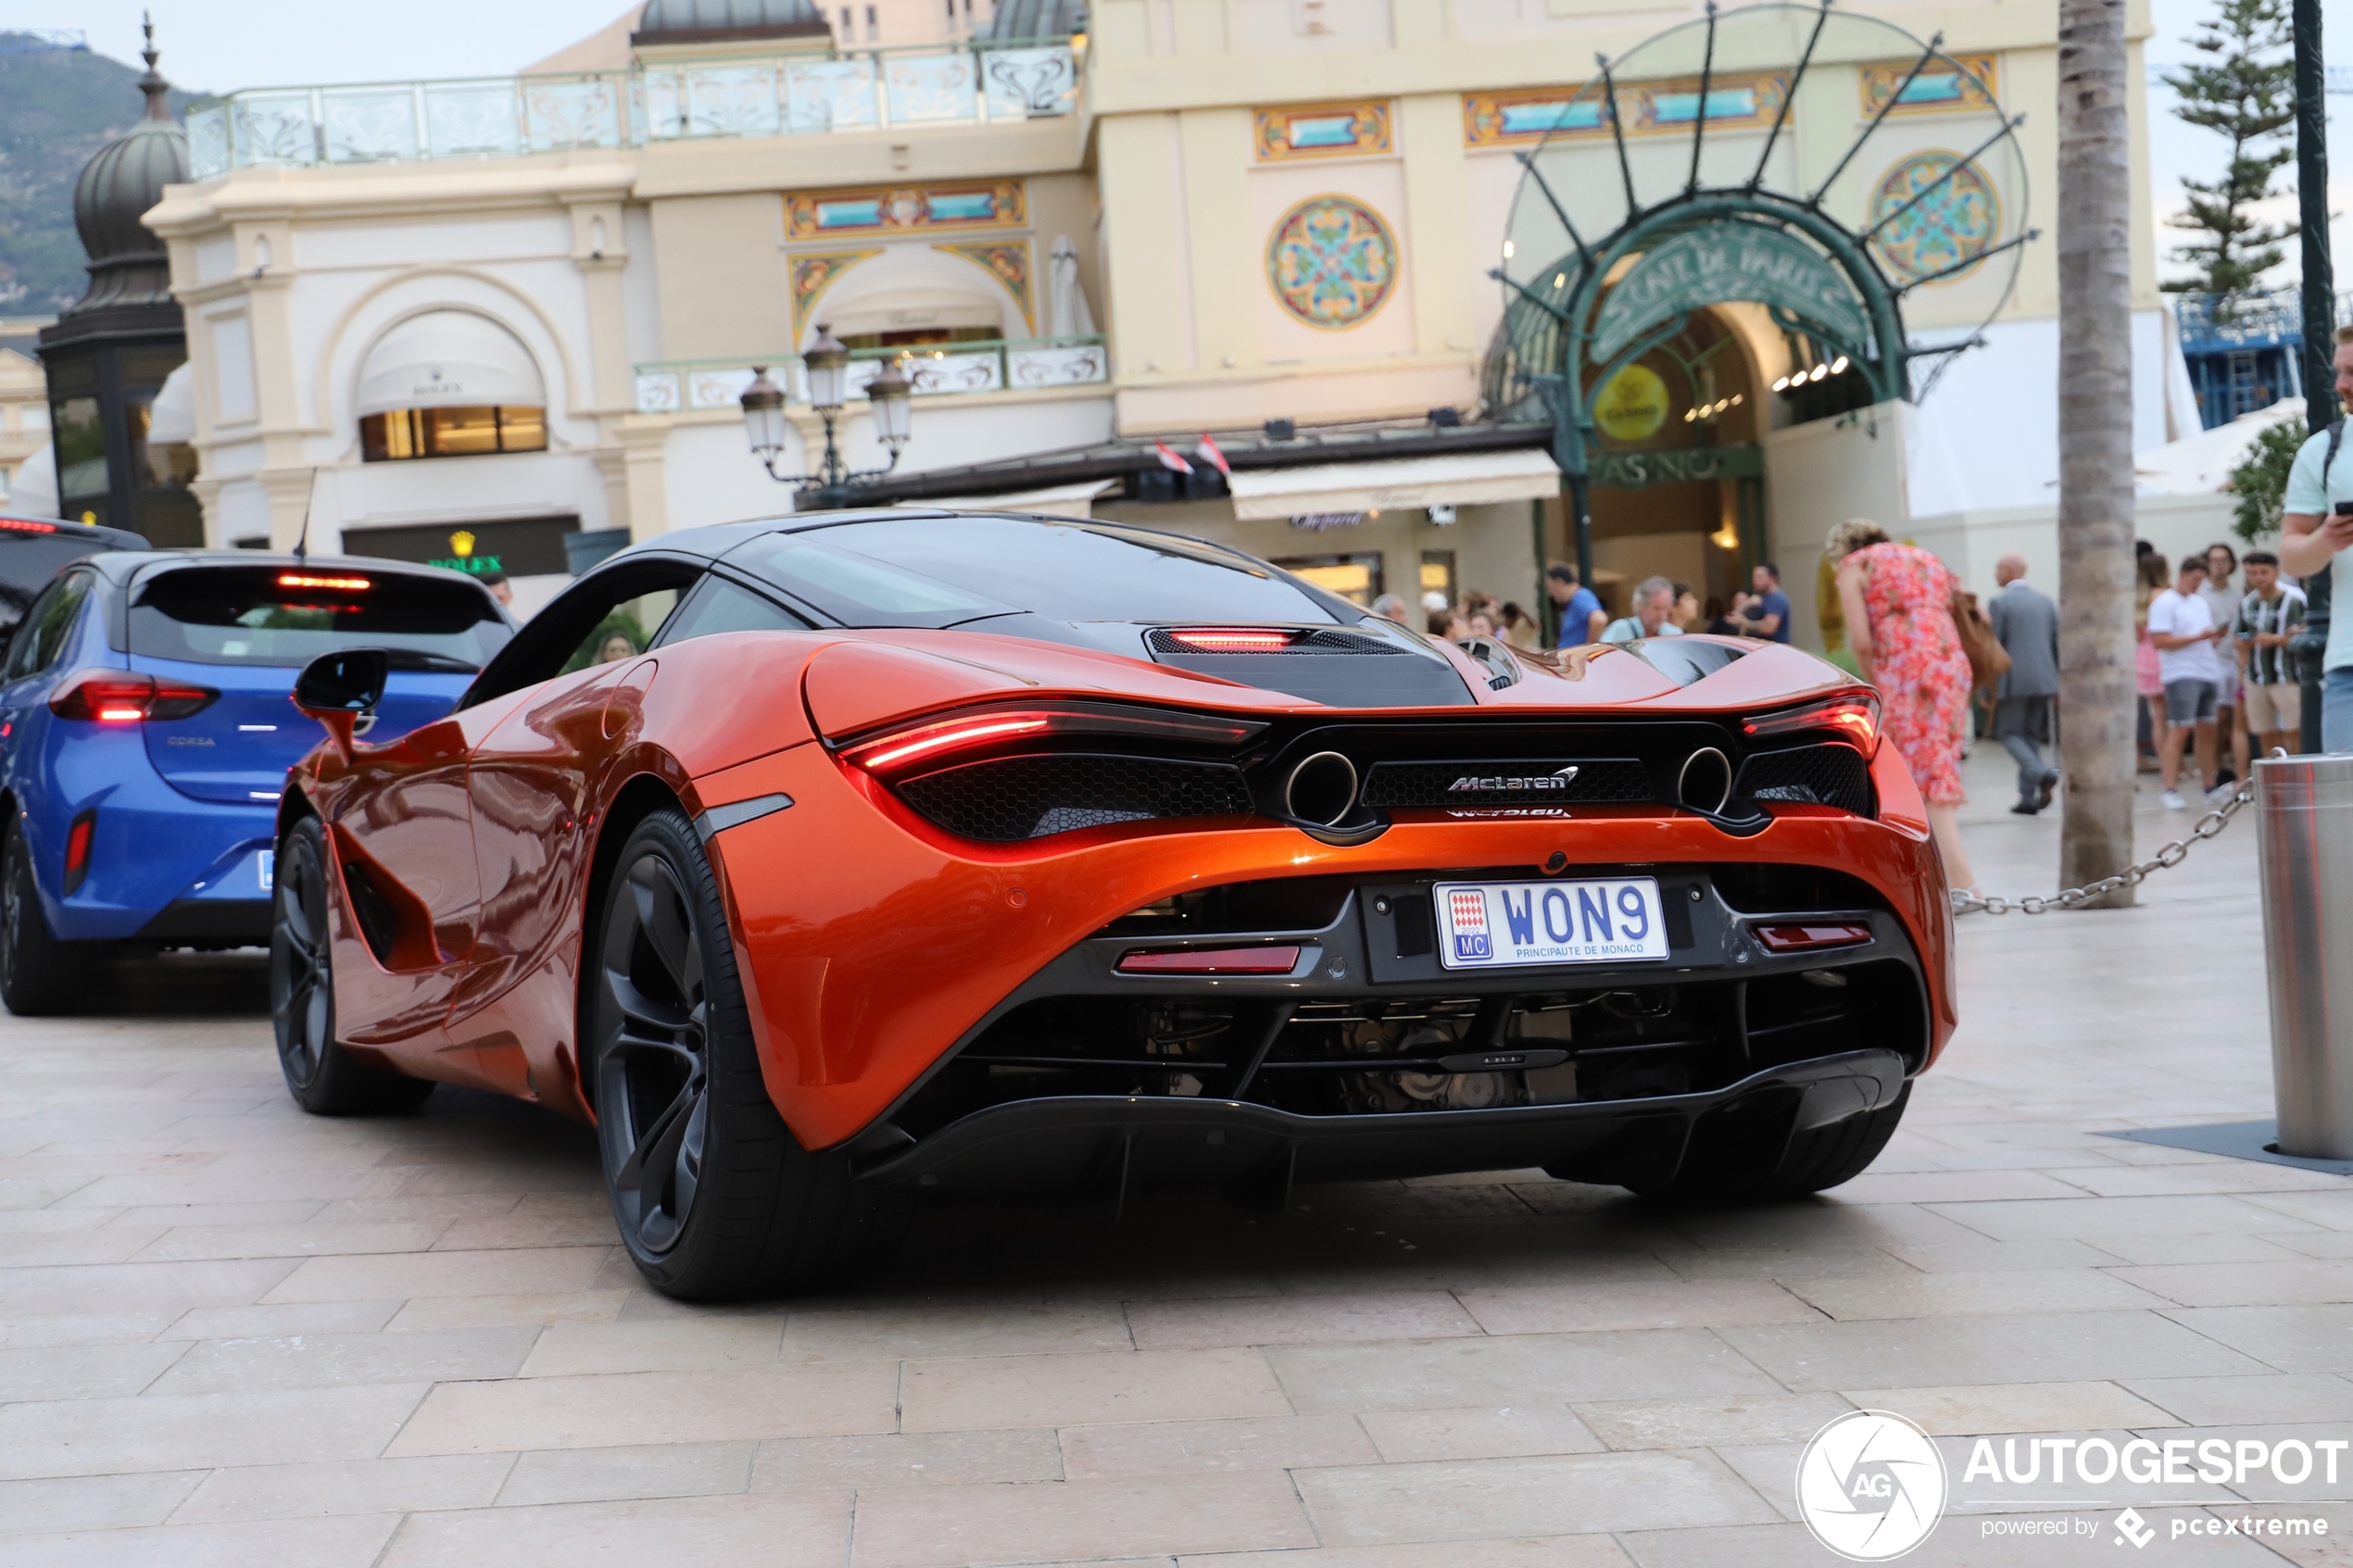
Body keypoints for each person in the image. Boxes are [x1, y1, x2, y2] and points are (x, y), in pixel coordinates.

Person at [1829, 519, 1979, 896]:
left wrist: (1875, 682)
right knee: (1936, 766)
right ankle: (1940, 877)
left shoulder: (1855, 566)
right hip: (1950, 662)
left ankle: (1962, 883)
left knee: (1920, 776)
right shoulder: (1926, 558)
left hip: (1906, 668)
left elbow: (1861, 640)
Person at [2277, 323, 2353, 750]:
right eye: (2339, 372)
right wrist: (2327, 538)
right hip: (2349, 666)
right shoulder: (2323, 452)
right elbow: (2292, 556)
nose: (2342, 385)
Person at [2146, 555, 2231, 809]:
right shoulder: (2164, 602)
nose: (2197, 584)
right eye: (2194, 579)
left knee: (2207, 731)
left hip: (2207, 670)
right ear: (2183, 575)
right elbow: (2160, 641)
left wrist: (2213, 637)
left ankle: (2209, 786)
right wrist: (2197, 637)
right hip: (2181, 672)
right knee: (2180, 729)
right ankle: (2170, 788)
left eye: (2201, 580)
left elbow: (2203, 636)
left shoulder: (2199, 603)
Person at [2233, 550, 2307, 758]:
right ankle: (2275, 780)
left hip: (2287, 675)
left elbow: (2306, 635)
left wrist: (2277, 639)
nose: (2258, 578)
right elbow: (2237, 634)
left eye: (2263, 572)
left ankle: (2299, 775)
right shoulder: (2247, 603)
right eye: (2252, 573)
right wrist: (2243, 643)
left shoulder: (2294, 599)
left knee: (2294, 729)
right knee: (2264, 732)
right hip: (2255, 676)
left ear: (2276, 572)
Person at [2199, 544, 2246, 785]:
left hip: (2233, 661)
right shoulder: (2199, 595)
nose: (2220, 564)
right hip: (2209, 662)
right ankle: (2214, 766)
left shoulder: (2236, 595)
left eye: (2224, 560)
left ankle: (2224, 764)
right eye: (2214, 559)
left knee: (2230, 717)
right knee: (2215, 715)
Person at [2134, 550, 2170, 770]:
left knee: (2157, 716)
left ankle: (2168, 762)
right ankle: (2171, 763)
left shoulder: (2139, 598)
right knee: (2169, 718)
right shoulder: (2165, 595)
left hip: (2145, 656)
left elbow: (2138, 635)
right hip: (2164, 655)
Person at [1599, 575, 1681, 643]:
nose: (1662, 614)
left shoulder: (1674, 634)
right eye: (1657, 608)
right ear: (1640, 606)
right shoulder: (1620, 630)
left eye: (1665, 608)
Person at [1545, 563, 1607, 646]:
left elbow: (1599, 620)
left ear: (1560, 583)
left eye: (1551, 588)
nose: (1551, 593)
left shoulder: (1581, 597)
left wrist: (1588, 649)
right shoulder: (1573, 602)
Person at [1737, 562, 1793, 642]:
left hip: (1774, 650)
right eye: (1754, 576)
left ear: (1772, 578)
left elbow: (1769, 628)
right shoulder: (1760, 598)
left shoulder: (1776, 598)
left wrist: (1743, 622)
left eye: (1760, 576)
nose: (1755, 580)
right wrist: (1746, 604)